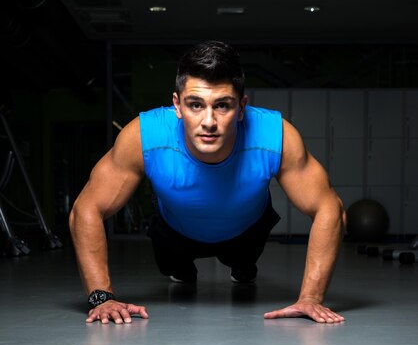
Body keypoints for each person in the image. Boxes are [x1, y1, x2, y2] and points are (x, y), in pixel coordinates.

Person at [69, 40, 346, 325]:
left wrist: (311, 298)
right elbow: (86, 208)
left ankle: (243, 266)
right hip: (174, 231)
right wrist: (101, 297)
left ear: (241, 108)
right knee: (178, 273)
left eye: (223, 105)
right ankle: (184, 267)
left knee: (244, 269)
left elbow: (329, 207)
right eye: (195, 105)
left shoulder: (276, 136)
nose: (209, 121)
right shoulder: (143, 136)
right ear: (177, 105)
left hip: (246, 231)